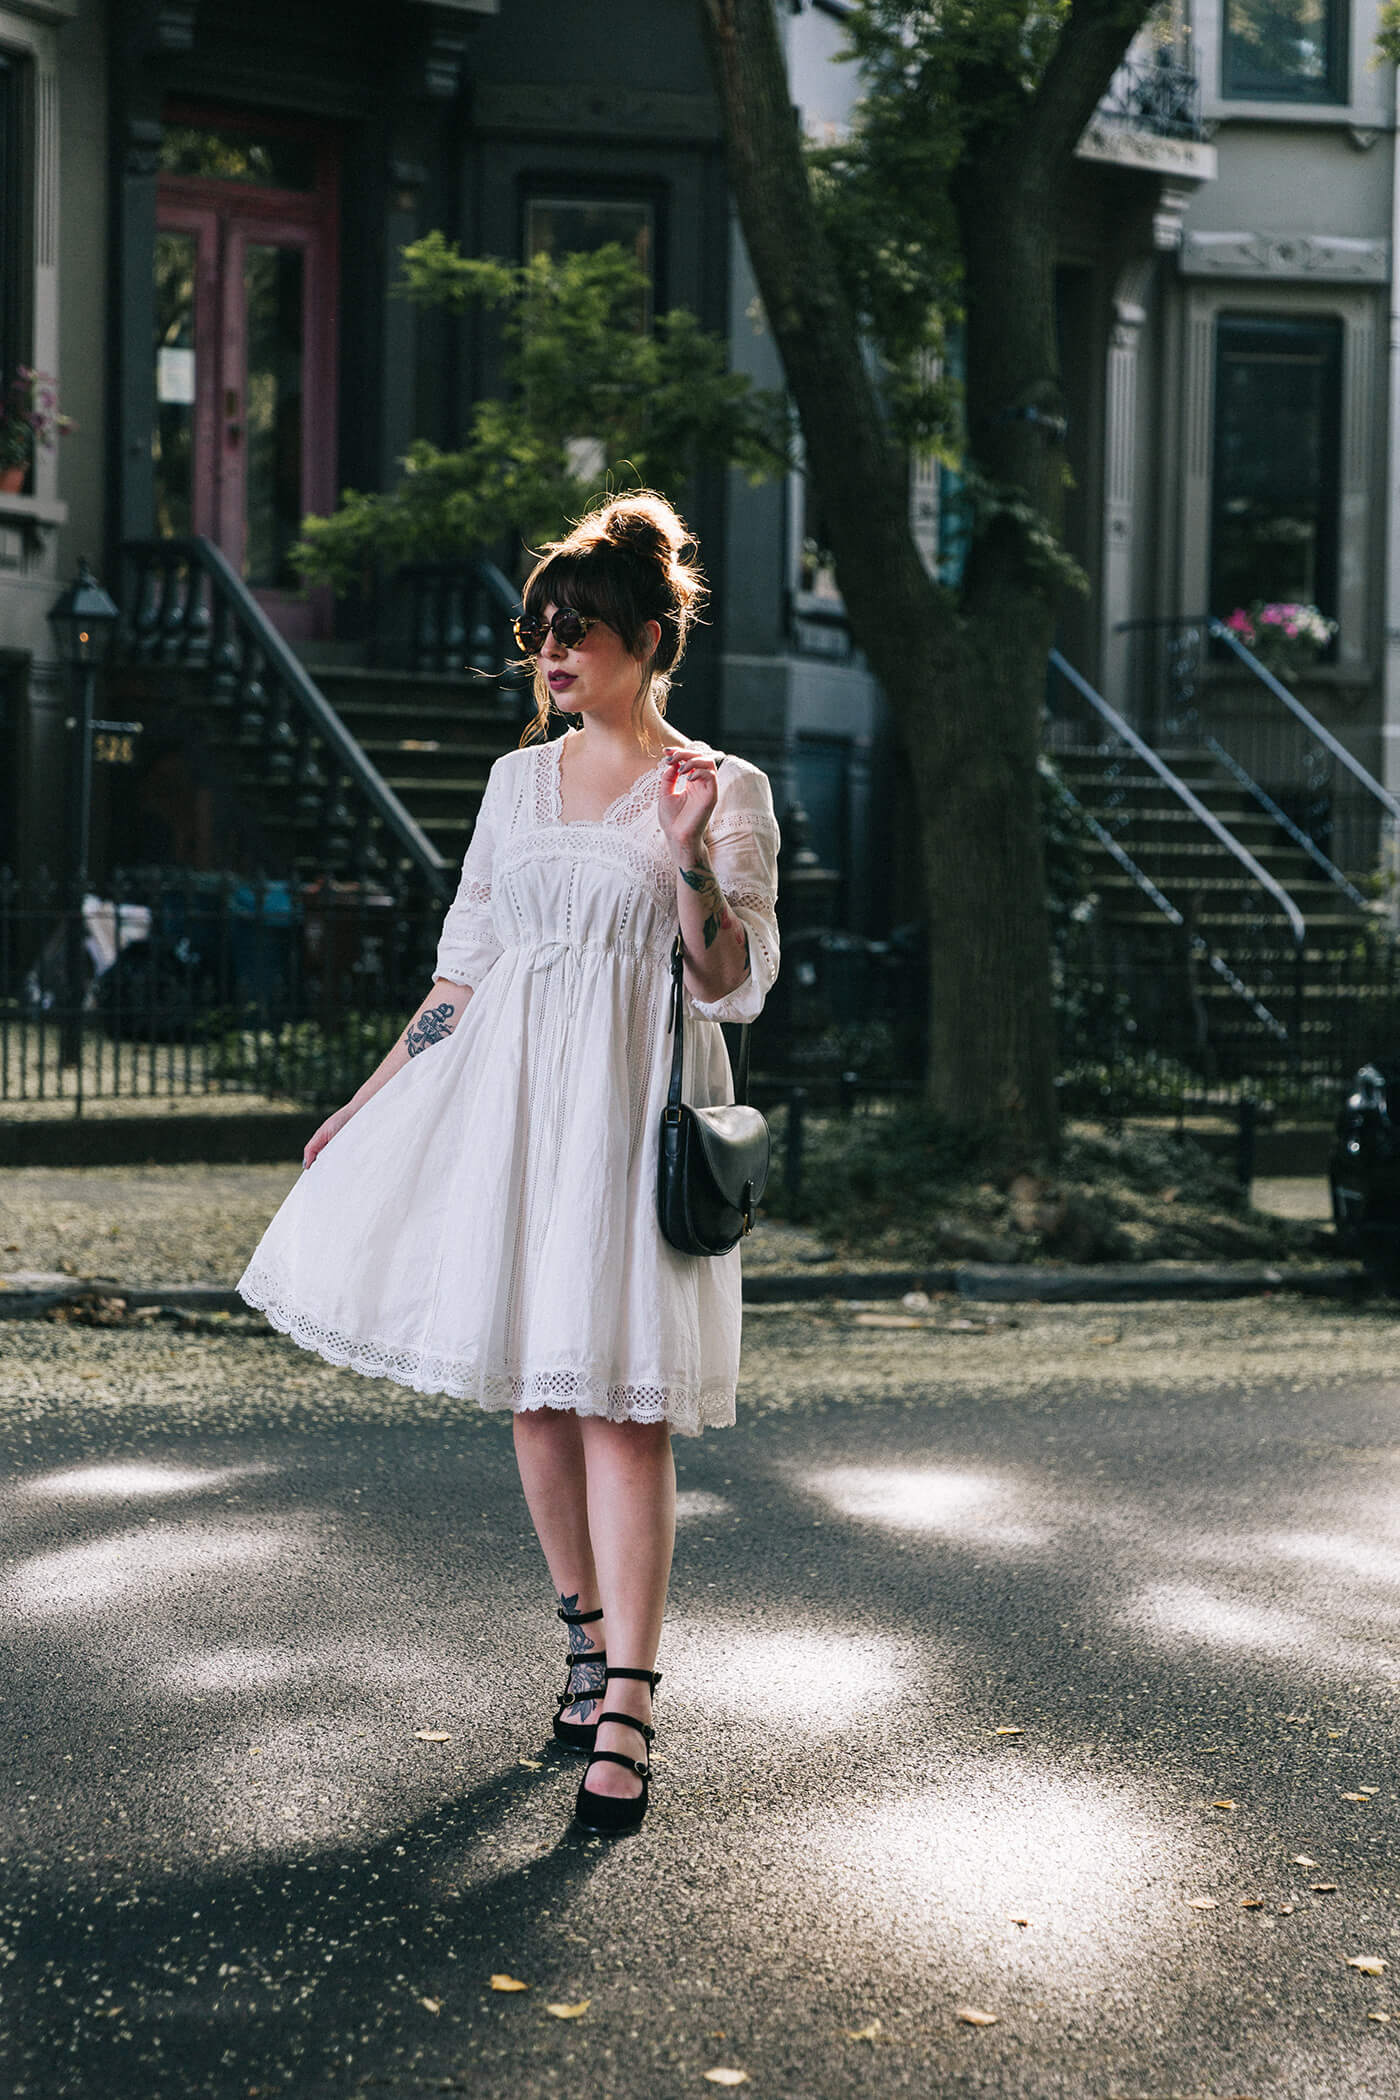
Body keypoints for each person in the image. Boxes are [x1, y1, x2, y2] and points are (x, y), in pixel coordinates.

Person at [238, 492, 780, 1835]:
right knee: (540, 1395)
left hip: (631, 1106)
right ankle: (586, 1646)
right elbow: (461, 972)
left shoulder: (722, 788)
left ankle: (635, 1706)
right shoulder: (510, 785)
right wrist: (367, 1101)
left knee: (624, 1407)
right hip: (515, 1117)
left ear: (650, 639)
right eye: (541, 634)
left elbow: (734, 987)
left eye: (578, 634)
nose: (553, 656)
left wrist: (682, 865)